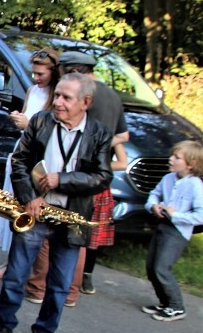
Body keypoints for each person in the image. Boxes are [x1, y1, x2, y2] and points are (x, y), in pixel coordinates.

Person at [0, 72, 113, 333]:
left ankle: (44, 332)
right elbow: (19, 161)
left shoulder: (100, 133)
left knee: (59, 285)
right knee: (16, 275)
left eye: (66, 98)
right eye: (57, 95)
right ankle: (4, 324)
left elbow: (103, 177)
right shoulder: (41, 122)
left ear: (86, 102)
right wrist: (29, 197)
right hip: (35, 211)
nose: (57, 102)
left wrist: (62, 180)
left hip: (71, 218)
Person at [21, 50, 130, 305]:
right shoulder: (113, 95)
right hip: (94, 179)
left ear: (75, 72)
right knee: (77, 236)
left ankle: (38, 288)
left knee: (52, 229)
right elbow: (123, 136)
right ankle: (71, 292)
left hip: (71, 175)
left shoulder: (79, 96)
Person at [0, 48, 59, 278]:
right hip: (21, 153)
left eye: (41, 73)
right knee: (13, 209)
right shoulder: (33, 91)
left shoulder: (56, 97)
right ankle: (11, 258)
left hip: (38, 161)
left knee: (30, 210)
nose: (36, 78)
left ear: (53, 71)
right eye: (34, 73)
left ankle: (28, 266)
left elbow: (50, 132)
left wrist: (27, 123)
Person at [142, 140, 203, 322]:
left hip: (177, 232)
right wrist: (152, 205)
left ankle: (177, 306)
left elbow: (201, 215)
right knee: (151, 267)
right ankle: (165, 302)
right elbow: (155, 193)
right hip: (162, 226)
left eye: (176, 157)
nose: (170, 159)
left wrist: (177, 216)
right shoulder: (168, 178)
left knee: (162, 267)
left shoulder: (195, 185)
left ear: (191, 164)